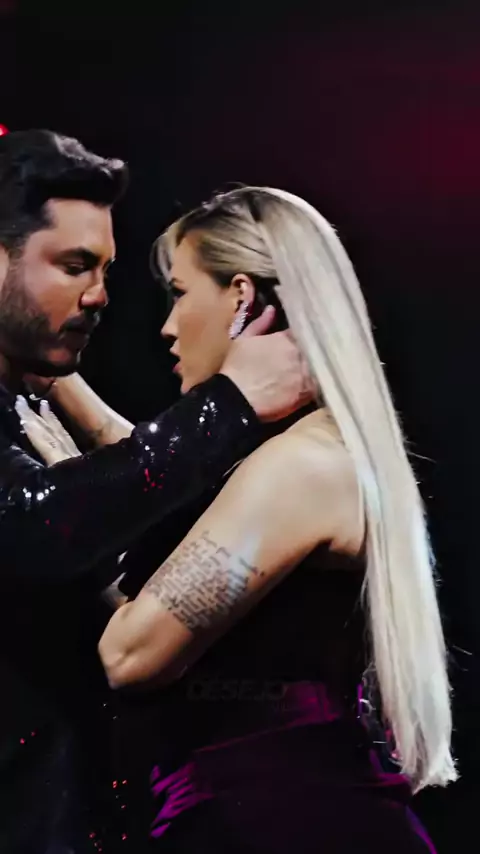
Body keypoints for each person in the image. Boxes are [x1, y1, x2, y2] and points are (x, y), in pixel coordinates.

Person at [77, 185, 455, 852]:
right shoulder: (304, 454)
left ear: (242, 298)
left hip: (288, 826)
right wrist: (48, 378)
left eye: (180, 294)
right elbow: (139, 471)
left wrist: (53, 530)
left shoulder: (298, 469)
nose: (167, 327)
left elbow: (130, 655)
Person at [0, 132, 309, 854]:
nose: (101, 295)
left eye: (104, 269)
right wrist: (224, 406)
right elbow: (30, 529)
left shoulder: (34, 400)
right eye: (74, 266)